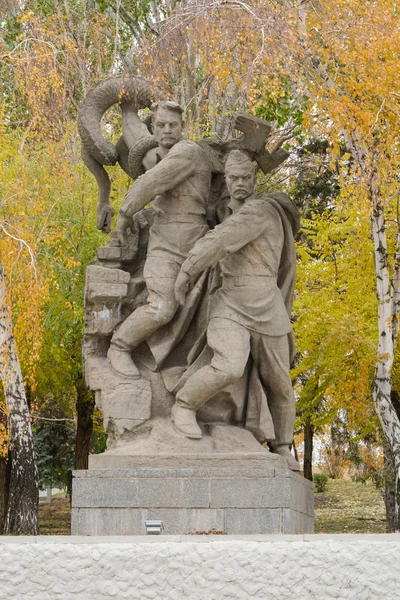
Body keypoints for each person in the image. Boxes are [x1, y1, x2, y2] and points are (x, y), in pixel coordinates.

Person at [172, 149, 300, 470]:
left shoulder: (261, 210)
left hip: (268, 308)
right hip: (229, 303)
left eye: (246, 177)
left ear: (255, 179)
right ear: (226, 179)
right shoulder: (226, 210)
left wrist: (188, 271)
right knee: (229, 365)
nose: (240, 183)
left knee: (279, 382)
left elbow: (223, 239)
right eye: (233, 177)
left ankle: (283, 446)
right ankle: (184, 405)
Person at [107, 101, 212, 378]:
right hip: (164, 244)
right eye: (161, 125)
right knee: (163, 307)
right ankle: (119, 347)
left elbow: (153, 181)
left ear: (182, 128)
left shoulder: (188, 152)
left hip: (196, 245)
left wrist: (126, 212)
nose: (167, 130)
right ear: (152, 129)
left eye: (173, 125)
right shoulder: (158, 157)